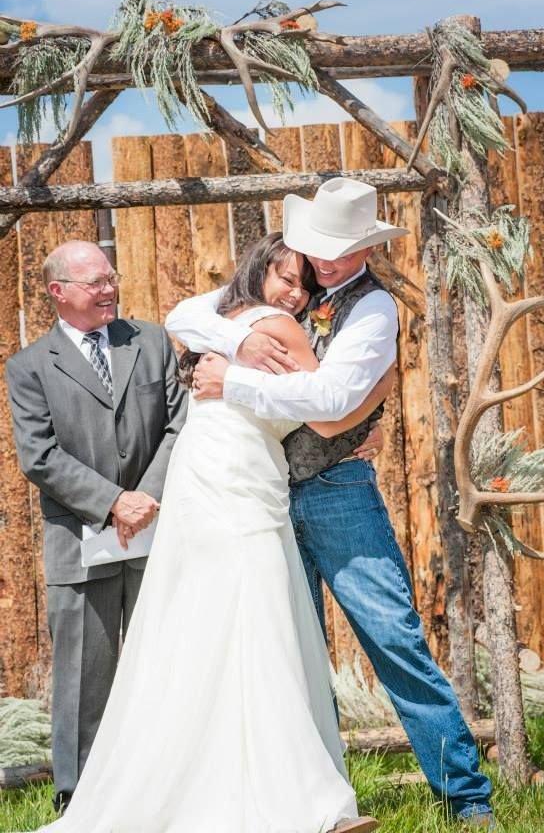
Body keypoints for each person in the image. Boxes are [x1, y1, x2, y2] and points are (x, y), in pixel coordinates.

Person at [29, 232, 387, 833]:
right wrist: (371, 404)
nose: (294, 294)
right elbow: (324, 411)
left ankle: (199, 779)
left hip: (206, 471)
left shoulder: (219, 320)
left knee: (201, 621)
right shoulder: (278, 326)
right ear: (258, 272)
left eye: (304, 284)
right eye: (284, 278)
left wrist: (237, 358)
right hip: (237, 479)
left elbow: (190, 320)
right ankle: (293, 797)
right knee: (258, 616)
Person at [166, 177, 495, 828]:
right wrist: (241, 344)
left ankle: (465, 794)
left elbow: (329, 405)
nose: (326, 262)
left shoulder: (371, 310)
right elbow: (184, 314)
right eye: (319, 248)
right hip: (260, 497)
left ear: (367, 248)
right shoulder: (291, 284)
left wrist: (232, 378)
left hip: (335, 489)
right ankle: (315, 800)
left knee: (391, 638)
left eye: (341, 251)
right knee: (290, 652)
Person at [5, 241, 187, 815]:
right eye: (94, 283)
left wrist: (146, 497)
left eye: (112, 277)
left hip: (160, 534)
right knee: (84, 677)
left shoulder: (151, 341)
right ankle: (78, 799)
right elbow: (40, 456)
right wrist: (112, 502)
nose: (109, 289)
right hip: (79, 543)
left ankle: (175, 784)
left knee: (172, 663)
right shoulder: (28, 367)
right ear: (58, 292)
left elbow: (183, 424)